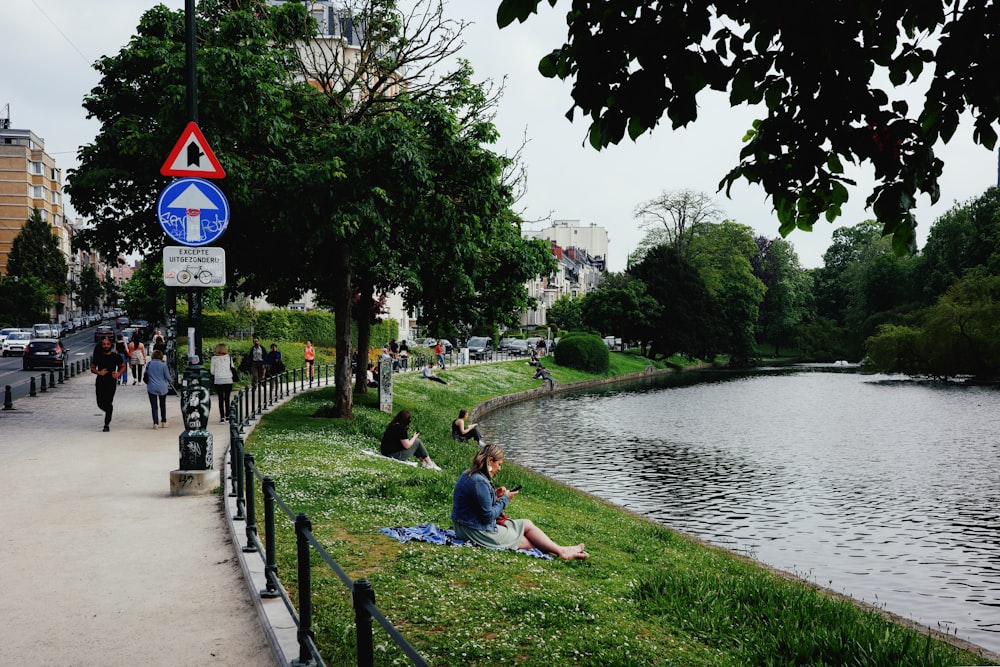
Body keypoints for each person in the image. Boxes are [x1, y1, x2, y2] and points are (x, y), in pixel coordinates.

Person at [451, 444, 588, 560]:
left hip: (466, 526)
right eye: (499, 464)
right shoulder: (479, 481)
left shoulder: (470, 474)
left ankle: (561, 550)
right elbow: (487, 517)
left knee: (527, 524)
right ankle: (562, 551)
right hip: (475, 531)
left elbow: (478, 506)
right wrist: (505, 499)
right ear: (490, 461)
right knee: (527, 541)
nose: (499, 468)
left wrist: (496, 496)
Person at [91, 336, 126, 432]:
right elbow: (92, 368)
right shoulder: (98, 356)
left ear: (111, 345)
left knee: (108, 403)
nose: (106, 346)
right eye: (104, 344)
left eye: (107, 344)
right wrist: (99, 372)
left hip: (111, 381)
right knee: (100, 403)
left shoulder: (116, 357)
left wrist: (118, 374)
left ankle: (106, 424)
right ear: (101, 346)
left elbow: (123, 366)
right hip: (100, 381)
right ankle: (108, 411)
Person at [144, 349, 172, 428]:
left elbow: (146, 374)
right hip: (162, 387)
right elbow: (168, 377)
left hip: (151, 387)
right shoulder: (163, 365)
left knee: (154, 406)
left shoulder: (149, 364)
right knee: (162, 404)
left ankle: (155, 423)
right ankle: (163, 421)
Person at [210, 342, 235, 423]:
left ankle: (222, 417)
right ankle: (228, 416)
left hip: (218, 380)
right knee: (227, 398)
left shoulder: (214, 358)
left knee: (220, 399)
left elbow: (212, 371)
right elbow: (232, 367)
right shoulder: (229, 357)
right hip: (228, 379)